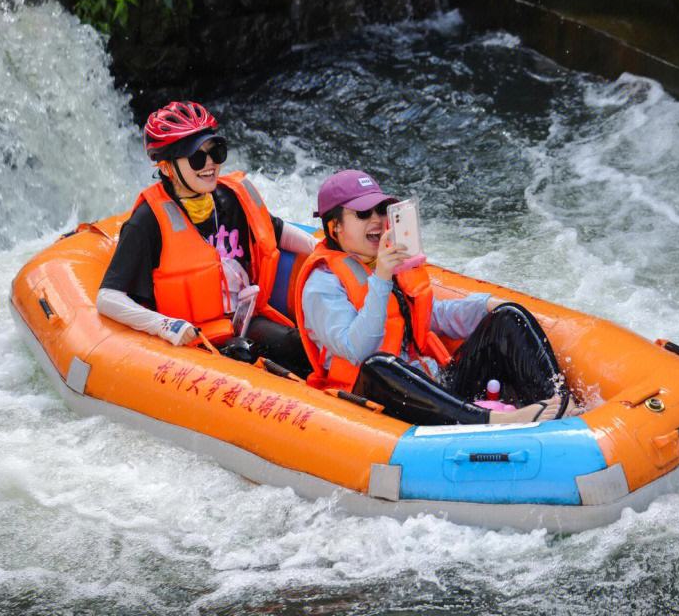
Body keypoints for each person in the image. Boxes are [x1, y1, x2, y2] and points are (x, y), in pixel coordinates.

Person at [293, 169, 580, 425]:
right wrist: (381, 277)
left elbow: (426, 316)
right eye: (363, 214)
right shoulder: (323, 285)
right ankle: (495, 420)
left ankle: (560, 403)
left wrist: (485, 306)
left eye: (381, 210)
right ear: (335, 227)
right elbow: (358, 350)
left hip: (431, 390)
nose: (378, 220)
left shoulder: (385, 262)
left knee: (509, 317)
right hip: (379, 396)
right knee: (378, 365)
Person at [97, 100, 316, 373]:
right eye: (197, 158)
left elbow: (276, 231)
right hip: (190, 342)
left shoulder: (231, 197)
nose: (210, 164)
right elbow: (108, 297)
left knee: (299, 347)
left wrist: (321, 250)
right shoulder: (147, 222)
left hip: (244, 322)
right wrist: (166, 326)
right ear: (166, 169)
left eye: (215, 152)